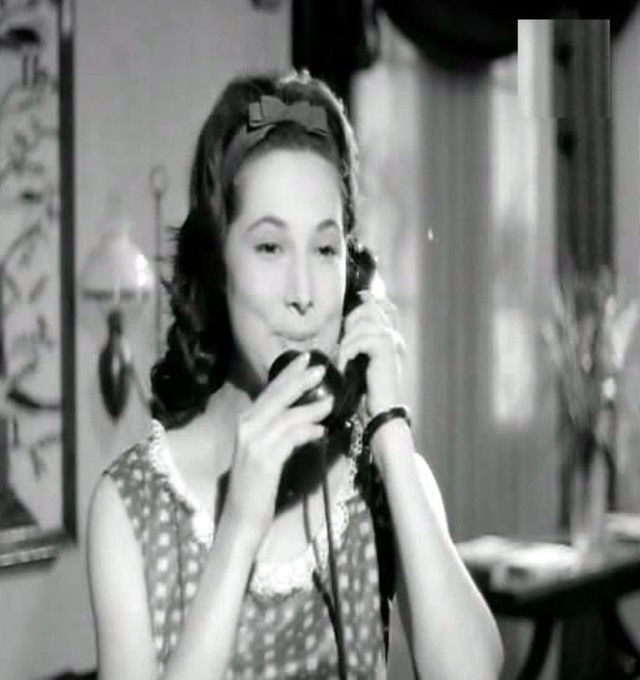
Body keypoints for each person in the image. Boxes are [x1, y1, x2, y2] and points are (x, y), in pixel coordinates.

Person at [86, 70, 503, 679]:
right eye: (270, 248)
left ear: (355, 275)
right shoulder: (132, 506)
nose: (304, 294)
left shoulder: (384, 475)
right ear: (217, 267)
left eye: (326, 249)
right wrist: (239, 528)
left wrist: (389, 427)